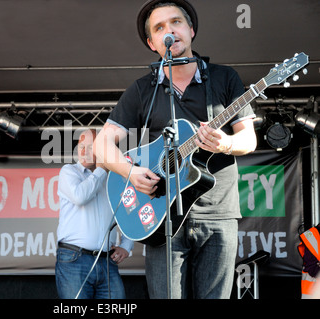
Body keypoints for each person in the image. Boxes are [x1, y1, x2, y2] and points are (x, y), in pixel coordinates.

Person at [94, 0, 257, 299]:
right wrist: (129, 172)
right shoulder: (143, 89)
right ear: (152, 43)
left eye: (176, 22)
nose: (170, 31)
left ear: (191, 29)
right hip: (162, 215)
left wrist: (227, 144)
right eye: (159, 28)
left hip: (218, 213)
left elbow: (249, 139)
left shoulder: (225, 78)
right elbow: (101, 144)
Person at [55, 129, 134, 299]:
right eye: (80, 146)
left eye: (90, 147)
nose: (83, 152)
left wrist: (127, 246)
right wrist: (102, 169)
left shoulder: (115, 178)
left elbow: (131, 208)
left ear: (102, 149)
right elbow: (80, 196)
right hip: (74, 259)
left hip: (107, 261)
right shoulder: (69, 172)